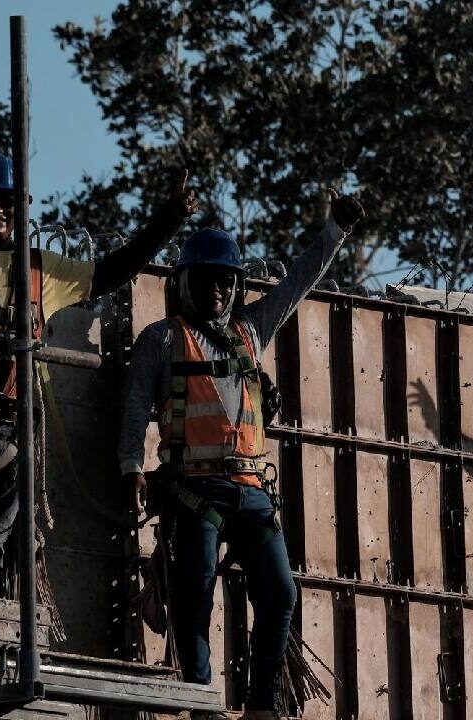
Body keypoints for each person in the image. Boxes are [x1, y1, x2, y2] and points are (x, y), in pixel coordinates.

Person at [0, 152, 197, 597]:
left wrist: (168, 221)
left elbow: (111, 273)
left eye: (7, 201)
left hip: (10, 430)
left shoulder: (41, 270)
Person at [118, 188, 364, 717]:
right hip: (194, 492)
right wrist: (131, 467)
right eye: (208, 279)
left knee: (281, 593)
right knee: (194, 595)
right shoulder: (161, 340)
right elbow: (136, 407)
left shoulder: (250, 331)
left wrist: (335, 230)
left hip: (251, 490)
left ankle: (261, 704)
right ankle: (203, 703)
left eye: (226, 281)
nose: (218, 289)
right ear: (184, 282)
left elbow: (298, 282)